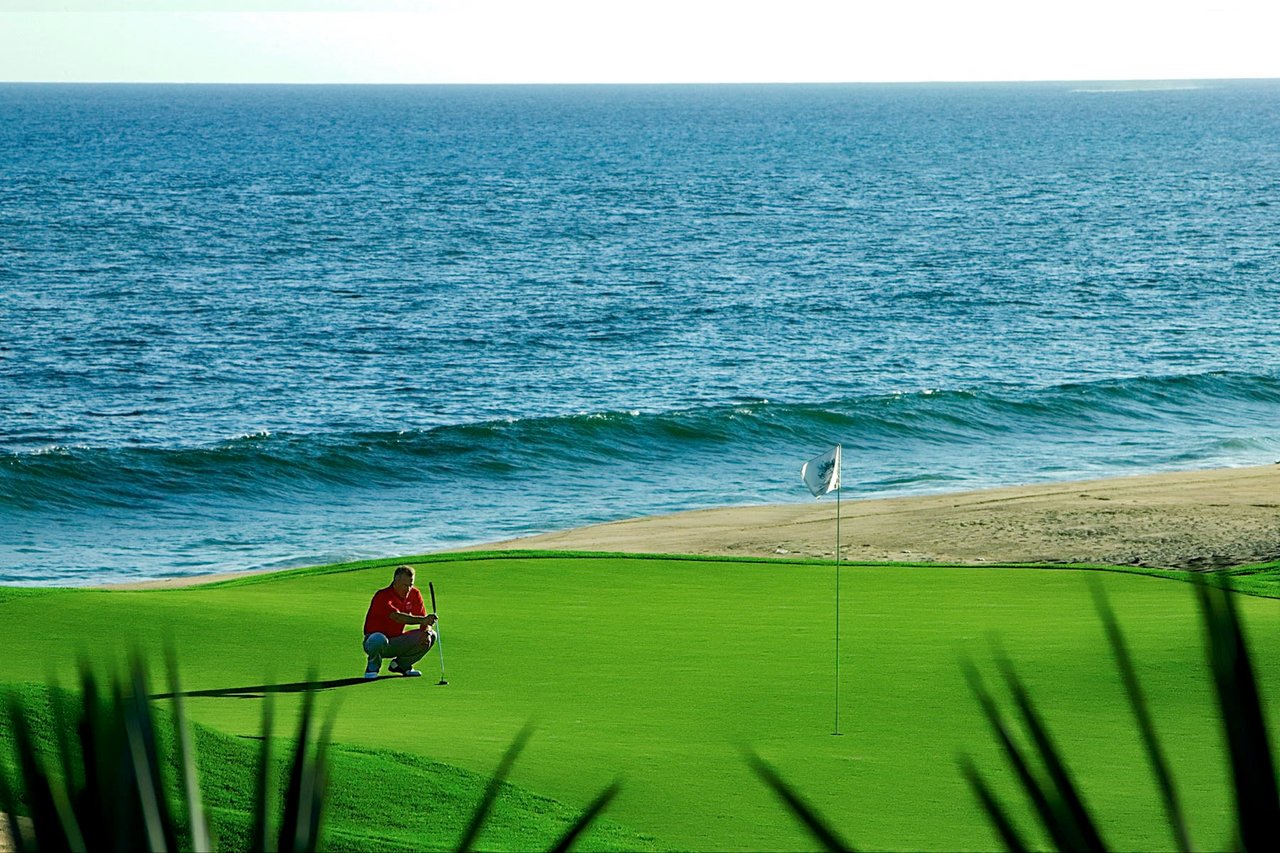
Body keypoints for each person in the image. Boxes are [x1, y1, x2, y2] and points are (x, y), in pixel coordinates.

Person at [362, 564, 437, 678]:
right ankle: (372, 669)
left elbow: (422, 618)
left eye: (410, 585)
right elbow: (397, 617)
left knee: (431, 636)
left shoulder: (414, 593)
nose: (408, 589)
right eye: (404, 585)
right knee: (378, 638)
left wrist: (426, 630)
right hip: (375, 641)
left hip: (397, 641)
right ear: (395, 581)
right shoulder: (382, 596)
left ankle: (401, 665)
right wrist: (424, 620)